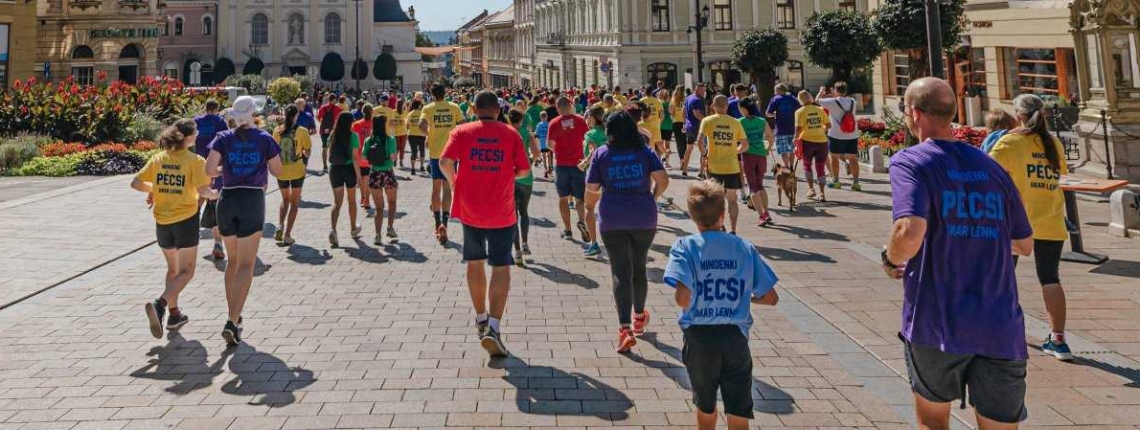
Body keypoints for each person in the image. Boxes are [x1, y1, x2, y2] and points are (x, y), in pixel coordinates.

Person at [884, 77, 1033, 430]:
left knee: (933, 420)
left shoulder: (912, 162)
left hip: (937, 319)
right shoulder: (991, 167)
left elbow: (909, 231)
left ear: (914, 114)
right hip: (999, 322)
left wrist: (891, 259)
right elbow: (1025, 243)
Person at [663, 180, 779, 430]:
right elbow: (771, 297)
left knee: (706, 407)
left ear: (693, 218)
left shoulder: (685, 248)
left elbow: (682, 299)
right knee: (738, 410)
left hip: (700, 338)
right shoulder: (743, 247)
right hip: (735, 337)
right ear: (723, 214)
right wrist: (746, 298)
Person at [440, 90, 531, 358]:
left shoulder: (462, 131)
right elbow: (524, 170)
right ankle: (494, 326)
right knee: (501, 265)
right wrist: (507, 175)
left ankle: (480, 317)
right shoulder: (510, 133)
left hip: (470, 206)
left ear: (475, 108)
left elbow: (445, 162)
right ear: (498, 109)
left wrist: (455, 183)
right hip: (501, 208)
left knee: (475, 261)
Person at [990, 94, 1072, 361]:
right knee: (1050, 278)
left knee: (1004, 277)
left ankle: (1003, 331)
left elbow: (986, 174)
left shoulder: (1010, 143)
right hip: (1050, 219)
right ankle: (1058, 339)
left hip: (1016, 221)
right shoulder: (1053, 143)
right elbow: (1062, 174)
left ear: (1018, 115)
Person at [585, 110, 669, 352]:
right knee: (639, 267)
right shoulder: (645, 152)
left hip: (612, 217)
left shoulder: (602, 154)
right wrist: (653, 196)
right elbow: (663, 179)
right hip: (643, 215)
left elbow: (591, 187)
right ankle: (639, 317)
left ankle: (624, 328)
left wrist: (599, 196)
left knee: (620, 271)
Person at [205, 96, 284, 346]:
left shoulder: (223, 138)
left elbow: (209, 170)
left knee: (233, 261)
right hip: (252, 199)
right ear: (255, 114)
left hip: (227, 198)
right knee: (247, 264)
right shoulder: (264, 138)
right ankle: (232, 318)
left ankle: (234, 317)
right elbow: (278, 171)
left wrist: (224, 169)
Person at [135, 119, 218, 339]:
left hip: (162, 222)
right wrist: (215, 195)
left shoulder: (159, 158)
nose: (198, 135)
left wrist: (154, 189)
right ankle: (160, 304)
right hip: (185, 220)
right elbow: (203, 190)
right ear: (189, 137)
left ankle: (174, 315)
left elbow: (135, 182)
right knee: (187, 272)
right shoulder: (195, 161)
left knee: (173, 270)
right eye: (196, 133)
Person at [419, 84, 465, 245]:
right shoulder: (454, 107)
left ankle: (437, 224)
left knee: (435, 188)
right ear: (445, 93)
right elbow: (462, 124)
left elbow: (421, 126)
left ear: (432, 94)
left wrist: (429, 135)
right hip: (452, 153)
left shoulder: (428, 108)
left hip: (435, 153)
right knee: (447, 189)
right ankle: (445, 223)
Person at [698, 95, 748, 234]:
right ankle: (733, 229)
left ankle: (719, 225)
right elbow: (745, 145)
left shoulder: (707, 121)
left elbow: (699, 140)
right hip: (731, 166)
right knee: (732, 200)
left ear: (713, 106)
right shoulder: (735, 122)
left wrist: (704, 153)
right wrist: (735, 151)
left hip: (714, 166)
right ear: (726, 106)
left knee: (715, 199)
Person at [547, 96, 592, 242]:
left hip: (561, 165)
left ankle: (567, 230)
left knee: (563, 198)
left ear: (558, 108)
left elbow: (549, 144)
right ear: (570, 106)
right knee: (580, 198)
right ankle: (581, 221)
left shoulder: (554, 123)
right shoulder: (579, 120)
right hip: (579, 163)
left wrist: (558, 151)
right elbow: (587, 139)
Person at [272, 105, 313, 246]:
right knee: (294, 203)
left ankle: (280, 225)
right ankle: (288, 235)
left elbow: (274, 151)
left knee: (285, 200)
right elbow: (307, 151)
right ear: (296, 115)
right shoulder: (302, 131)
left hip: (281, 171)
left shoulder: (277, 130)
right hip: (297, 170)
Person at [193, 99, 228, 260]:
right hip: (215, 162)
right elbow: (225, 140)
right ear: (217, 108)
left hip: (198, 161)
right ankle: (218, 241)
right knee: (213, 199)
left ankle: (193, 218)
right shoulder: (220, 121)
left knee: (200, 193)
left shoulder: (197, 120)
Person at [507, 110, 540, 267]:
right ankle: (526, 242)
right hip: (525, 176)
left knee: (512, 215)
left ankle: (518, 251)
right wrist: (530, 162)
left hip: (509, 176)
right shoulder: (527, 133)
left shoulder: (505, 132)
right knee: (524, 212)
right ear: (521, 120)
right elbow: (536, 152)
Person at [327, 111, 364, 247]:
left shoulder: (333, 135)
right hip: (348, 169)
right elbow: (355, 158)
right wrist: (359, 176)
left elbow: (329, 150)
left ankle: (333, 230)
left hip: (335, 169)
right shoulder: (353, 136)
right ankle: (353, 228)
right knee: (352, 201)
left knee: (337, 202)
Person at [817, 82, 862, 191]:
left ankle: (836, 181)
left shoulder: (831, 102)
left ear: (836, 91)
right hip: (852, 134)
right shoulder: (853, 101)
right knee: (853, 158)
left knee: (834, 157)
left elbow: (817, 100)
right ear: (846, 90)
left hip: (836, 135)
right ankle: (856, 183)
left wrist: (821, 91)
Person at [363, 114, 400, 244]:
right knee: (392, 202)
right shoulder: (390, 139)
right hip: (388, 173)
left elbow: (363, 158)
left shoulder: (369, 140)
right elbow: (393, 157)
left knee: (378, 208)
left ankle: (377, 235)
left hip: (374, 173)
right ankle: (390, 227)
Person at [739, 98, 775, 226]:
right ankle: (767, 212)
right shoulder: (762, 121)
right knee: (760, 185)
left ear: (743, 109)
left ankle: (761, 215)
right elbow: (771, 136)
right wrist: (767, 148)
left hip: (748, 155)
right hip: (761, 155)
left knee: (752, 187)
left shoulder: (740, 122)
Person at [581, 105, 609, 257]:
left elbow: (594, 152)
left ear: (592, 118)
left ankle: (594, 243)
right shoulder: (609, 132)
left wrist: (584, 163)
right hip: (611, 175)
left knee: (589, 208)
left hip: (595, 177)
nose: (586, 119)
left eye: (587, 116)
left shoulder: (590, 134)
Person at [794, 90, 829, 202]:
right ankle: (822, 194)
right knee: (820, 167)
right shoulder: (820, 109)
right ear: (810, 97)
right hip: (822, 142)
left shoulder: (800, 111)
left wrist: (795, 139)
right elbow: (828, 125)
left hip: (807, 142)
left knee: (807, 165)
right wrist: (819, 129)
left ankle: (811, 189)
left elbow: (799, 128)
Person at [766, 83, 802, 170]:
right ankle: (791, 166)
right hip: (792, 128)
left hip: (781, 129)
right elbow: (800, 110)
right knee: (791, 150)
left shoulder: (775, 99)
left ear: (777, 90)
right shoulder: (792, 98)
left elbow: (768, 114)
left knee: (783, 151)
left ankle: (786, 166)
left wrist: (774, 114)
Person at [684, 83, 708, 178]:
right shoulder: (698, 100)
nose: (704, 92)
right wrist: (707, 119)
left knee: (689, 149)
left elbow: (684, 111)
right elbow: (697, 114)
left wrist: (684, 123)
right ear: (697, 90)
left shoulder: (688, 98)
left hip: (689, 127)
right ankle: (701, 172)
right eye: (702, 91)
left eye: (704, 90)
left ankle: (685, 170)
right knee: (703, 149)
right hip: (698, 127)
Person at [317, 94, 343, 173]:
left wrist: (322, 122)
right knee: (333, 148)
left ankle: (325, 166)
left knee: (324, 148)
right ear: (334, 99)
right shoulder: (338, 108)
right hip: (333, 131)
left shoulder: (323, 107)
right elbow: (340, 120)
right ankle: (333, 164)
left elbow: (318, 117)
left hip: (323, 130)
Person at [640, 88, 666, 163]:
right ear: (652, 92)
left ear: (645, 92)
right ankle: (657, 162)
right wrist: (659, 121)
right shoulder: (657, 101)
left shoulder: (641, 101)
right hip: (655, 126)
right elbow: (662, 114)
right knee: (657, 144)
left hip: (643, 125)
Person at [405, 99, 427, 173]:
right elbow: (426, 124)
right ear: (419, 105)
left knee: (413, 151)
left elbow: (407, 125)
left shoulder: (410, 114)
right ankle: (421, 166)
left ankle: (413, 168)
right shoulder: (422, 113)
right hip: (422, 134)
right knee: (422, 150)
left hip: (412, 135)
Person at [535, 111, 553, 179]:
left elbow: (536, 133)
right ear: (547, 117)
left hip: (542, 143)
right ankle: (550, 167)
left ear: (540, 117)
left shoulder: (539, 124)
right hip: (548, 142)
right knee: (549, 156)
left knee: (544, 156)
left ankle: (545, 169)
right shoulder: (549, 124)